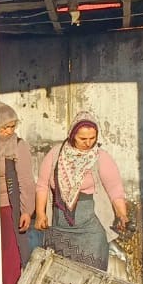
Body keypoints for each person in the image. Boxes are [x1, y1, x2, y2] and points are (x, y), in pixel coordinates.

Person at [35, 115, 128, 272]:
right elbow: (42, 185)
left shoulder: (100, 157)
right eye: (82, 138)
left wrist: (122, 214)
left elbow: (115, 189)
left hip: (90, 228)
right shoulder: (56, 154)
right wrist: (40, 213)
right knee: (60, 275)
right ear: (72, 135)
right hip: (60, 227)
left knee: (91, 275)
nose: (88, 143)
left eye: (92, 138)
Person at [0, 104, 36, 284]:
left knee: (11, 260)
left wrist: (26, 211)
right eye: (4, 127)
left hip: (7, 209)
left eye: (12, 126)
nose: (9, 131)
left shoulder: (18, 146)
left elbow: (26, 181)